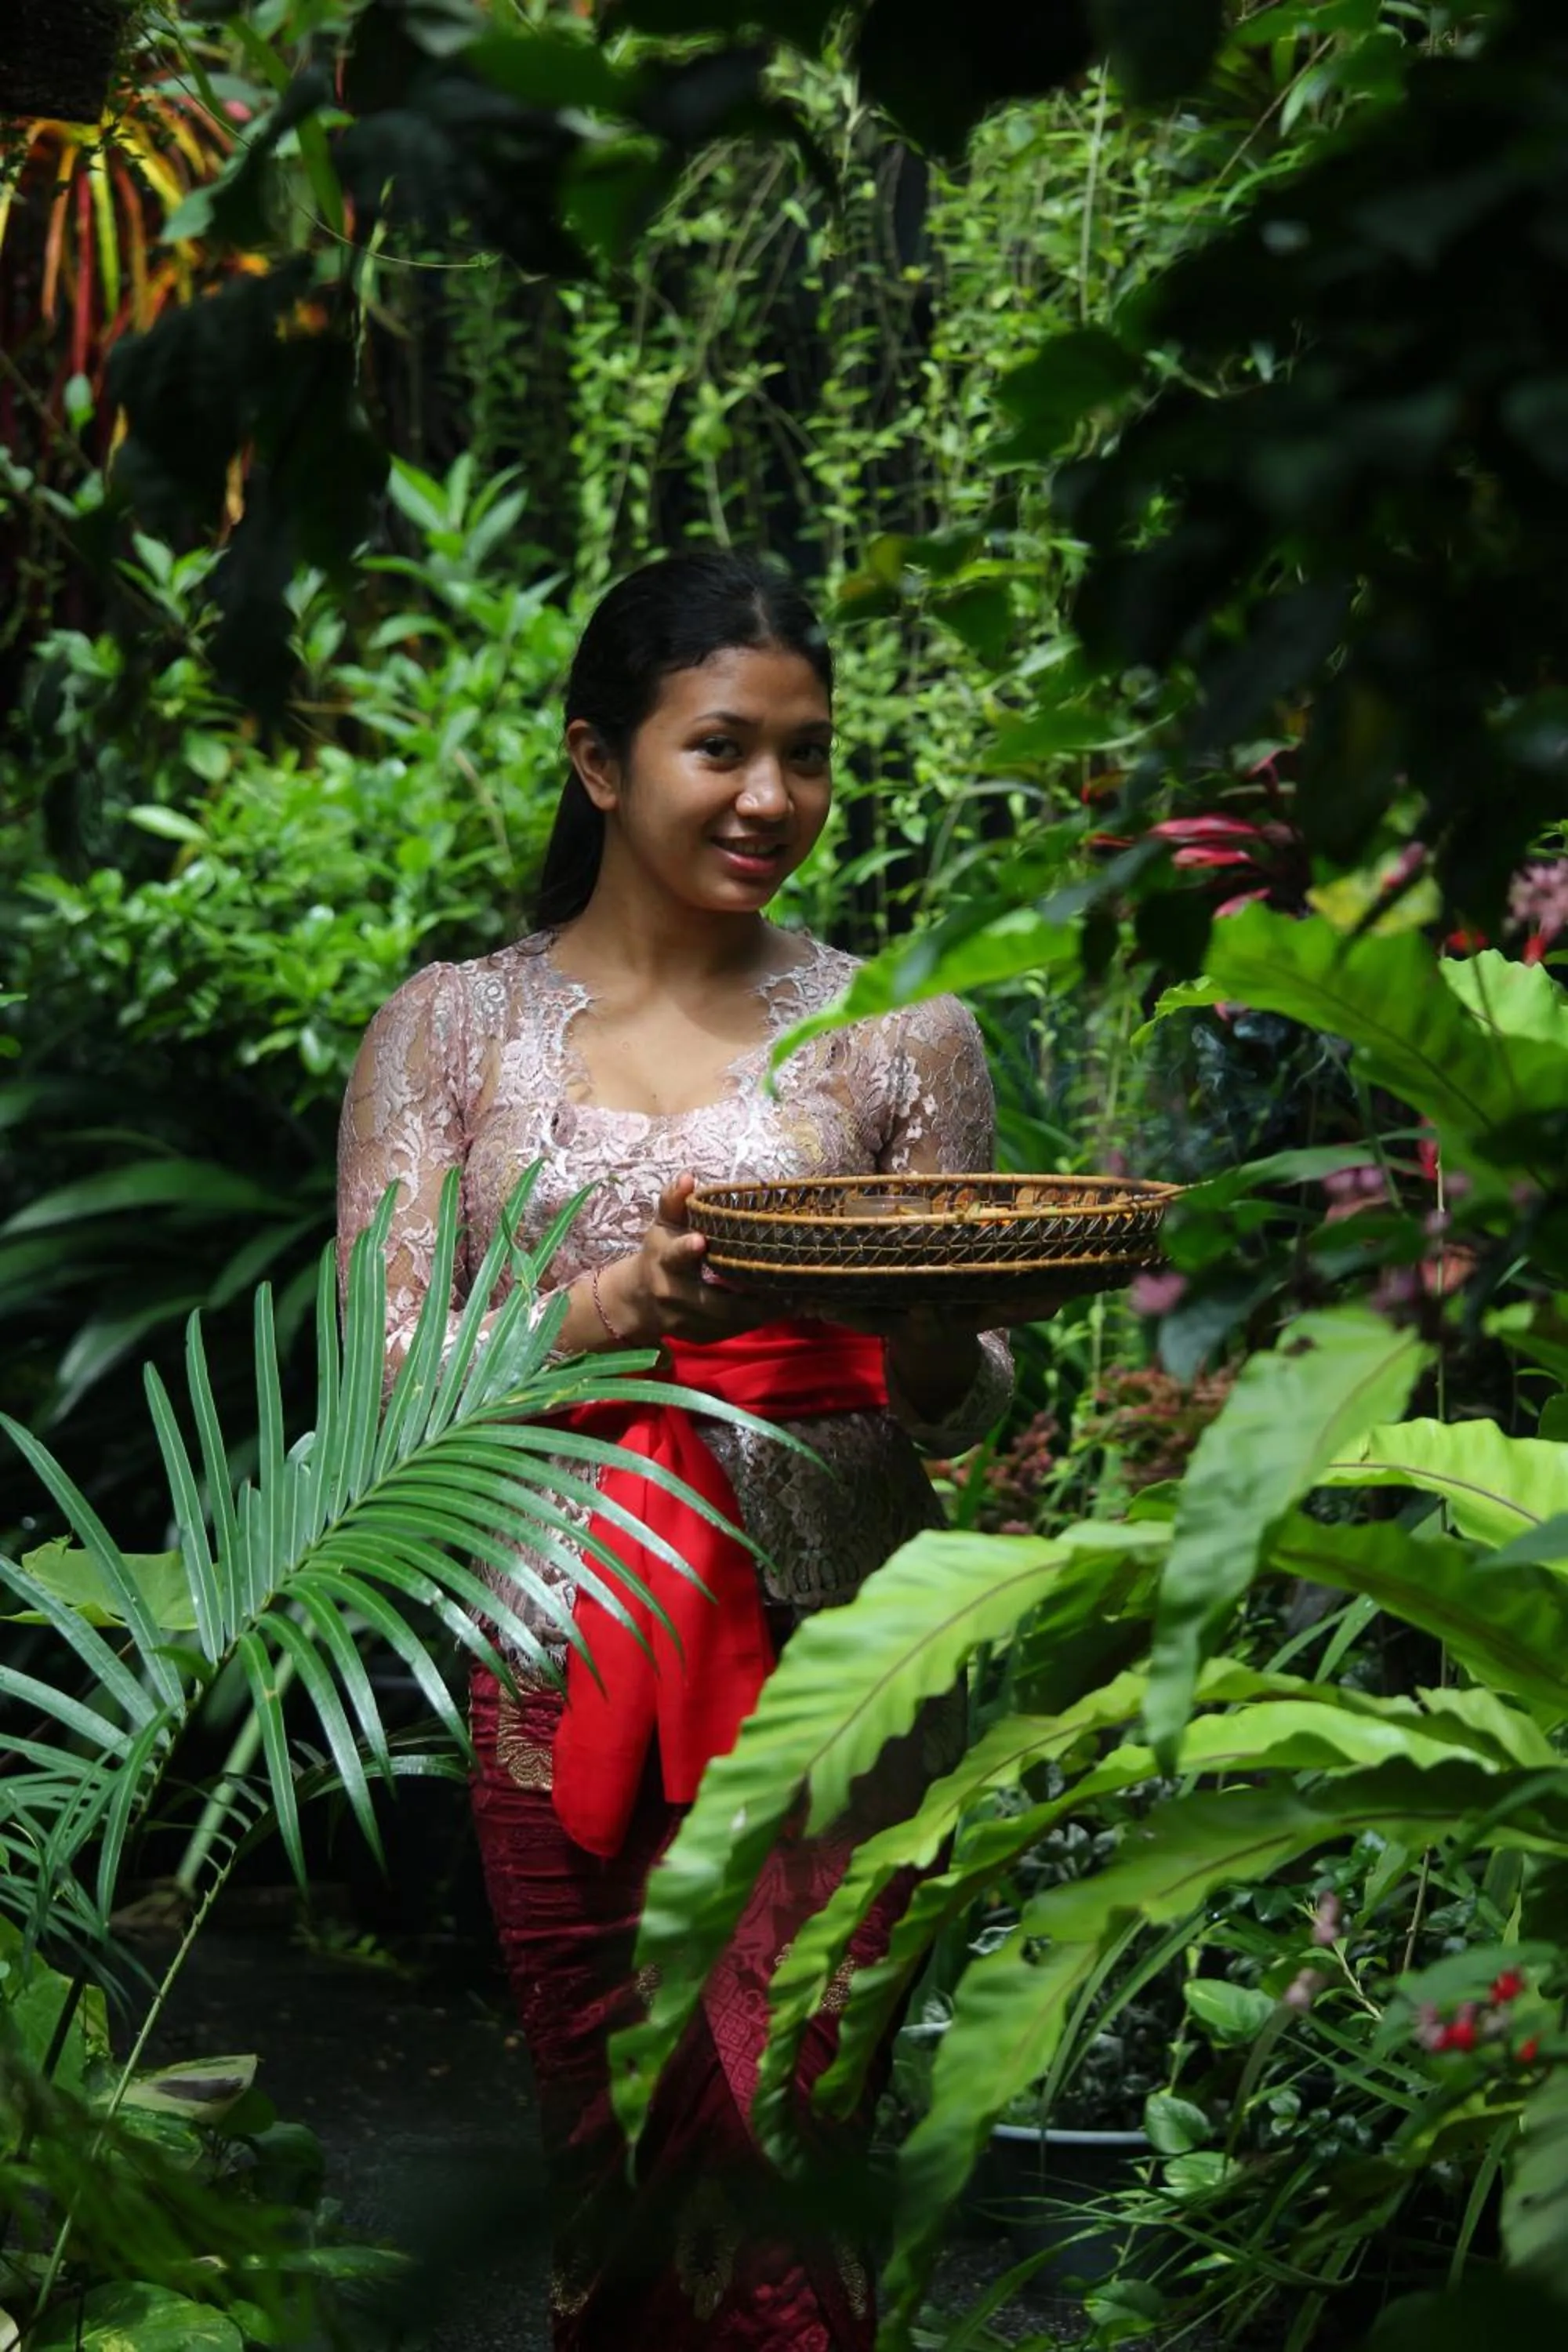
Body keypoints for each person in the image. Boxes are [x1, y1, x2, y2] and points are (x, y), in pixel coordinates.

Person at [336, 550, 1046, 2350]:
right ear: (598, 761)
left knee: (792, 2148)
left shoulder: (902, 1026)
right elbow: (379, 1372)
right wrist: (603, 1310)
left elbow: (982, 1399)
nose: (774, 800)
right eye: (722, 748)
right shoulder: (449, 1033)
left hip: (839, 1661)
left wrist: (914, 1334)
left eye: (807, 756)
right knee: (616, 2152)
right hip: (549, 1653)